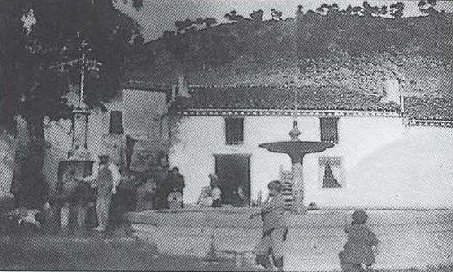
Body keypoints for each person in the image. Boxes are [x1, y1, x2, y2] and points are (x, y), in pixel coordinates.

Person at [250, 180, 288, 271]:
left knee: (276, 248)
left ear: (275, 190)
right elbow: (265, 208)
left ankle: (280, 268)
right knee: (262, 248)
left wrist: (266, 198)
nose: (269, 192)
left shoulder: (278, 199)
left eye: (271, 190)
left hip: (277, 227)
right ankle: (269, 267)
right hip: (270, 227)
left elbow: (264, 208)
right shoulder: (275, 198)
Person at [83, 155, 120, 232]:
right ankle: (100, 225)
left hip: (107, 188)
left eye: (104, 157)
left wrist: (113, 187)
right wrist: (85, 179)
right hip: (100, 188)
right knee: (99, 207)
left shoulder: (112, 166)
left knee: (104, 207)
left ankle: (104, 225)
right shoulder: (98, 166)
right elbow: (95, 177)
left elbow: (117, 177)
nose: (102, 159)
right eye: (101, 157)